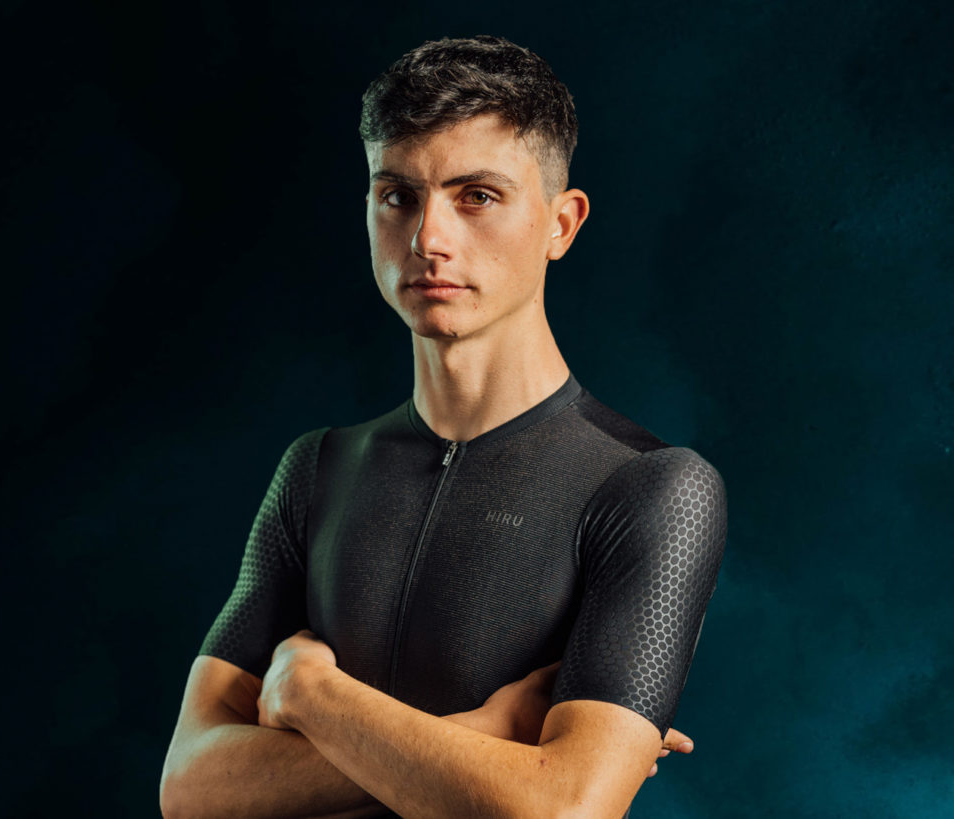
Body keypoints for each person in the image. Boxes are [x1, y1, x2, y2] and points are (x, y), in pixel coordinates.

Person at [160, 35, 726, 818]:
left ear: (561, 224)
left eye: (478, 196)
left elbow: (565, 809)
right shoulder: (317, 469)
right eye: (398, 196)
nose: (429, 238)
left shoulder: (653, 489)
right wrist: (484, 735)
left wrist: (313, 694)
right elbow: (190, 784)